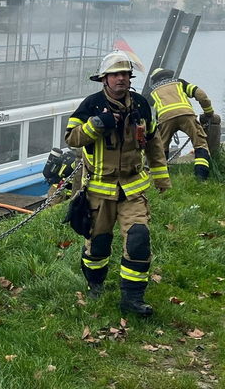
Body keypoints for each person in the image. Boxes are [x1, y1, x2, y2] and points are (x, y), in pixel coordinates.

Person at [64, 50, 170, 317]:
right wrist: (96, 125)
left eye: (125, 74)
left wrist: (162, 178)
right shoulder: (90, 106)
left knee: (138, 239)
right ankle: (95, 285)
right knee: (98, 246)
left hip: (133, 190)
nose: (121, 78)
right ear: (104, 79)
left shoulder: (142, 105)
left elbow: (154, 142)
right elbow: (72, 139)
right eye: (115, 74)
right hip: (98, 192)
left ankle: (132, 299)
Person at [148, 68, 217, 180]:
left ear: (154, 80)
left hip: (165, 118)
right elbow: (201, 95)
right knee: (200, 144)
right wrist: (209, 112)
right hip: (186, 115)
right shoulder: (179, 82)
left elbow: (146, 112)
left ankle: (162, 179)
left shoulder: (151, 91)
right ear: (169, 75)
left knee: (161, 148)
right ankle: (201, 177)